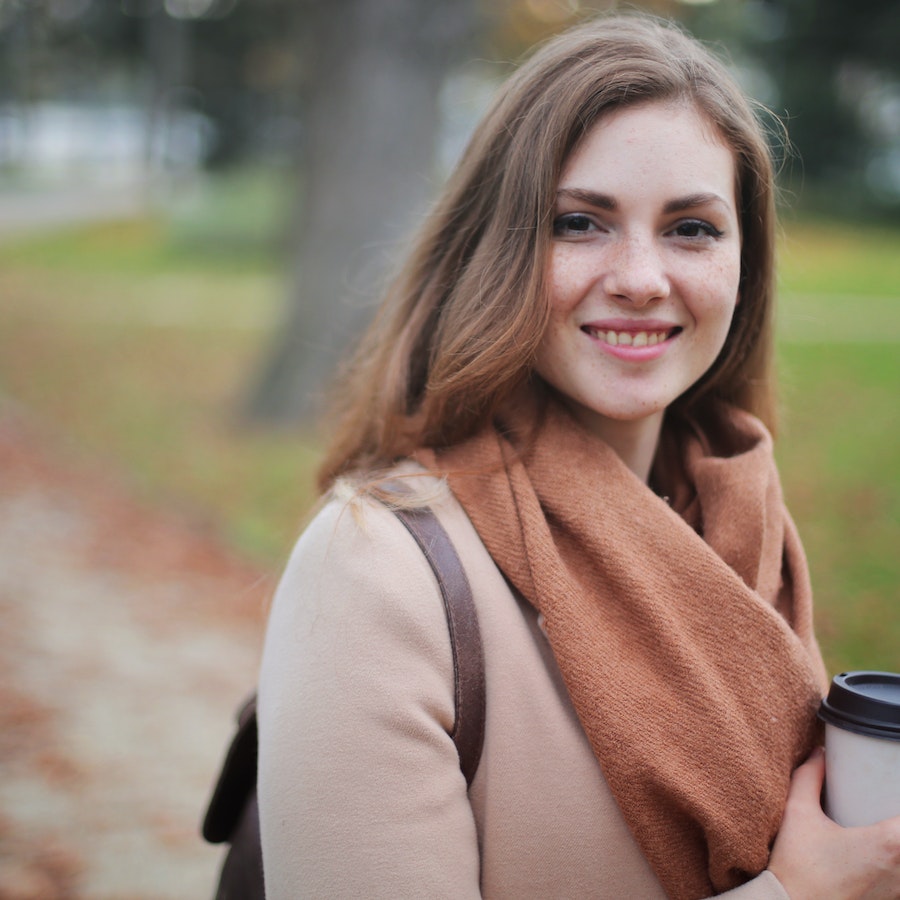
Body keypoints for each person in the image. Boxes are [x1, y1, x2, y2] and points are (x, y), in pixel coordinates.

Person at [256, 12, 900, 899]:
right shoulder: (375, 570)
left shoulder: (743, 524)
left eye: (692, 228)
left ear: (744, 262)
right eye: (580, 222)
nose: (641, 277)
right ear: (499, 248)